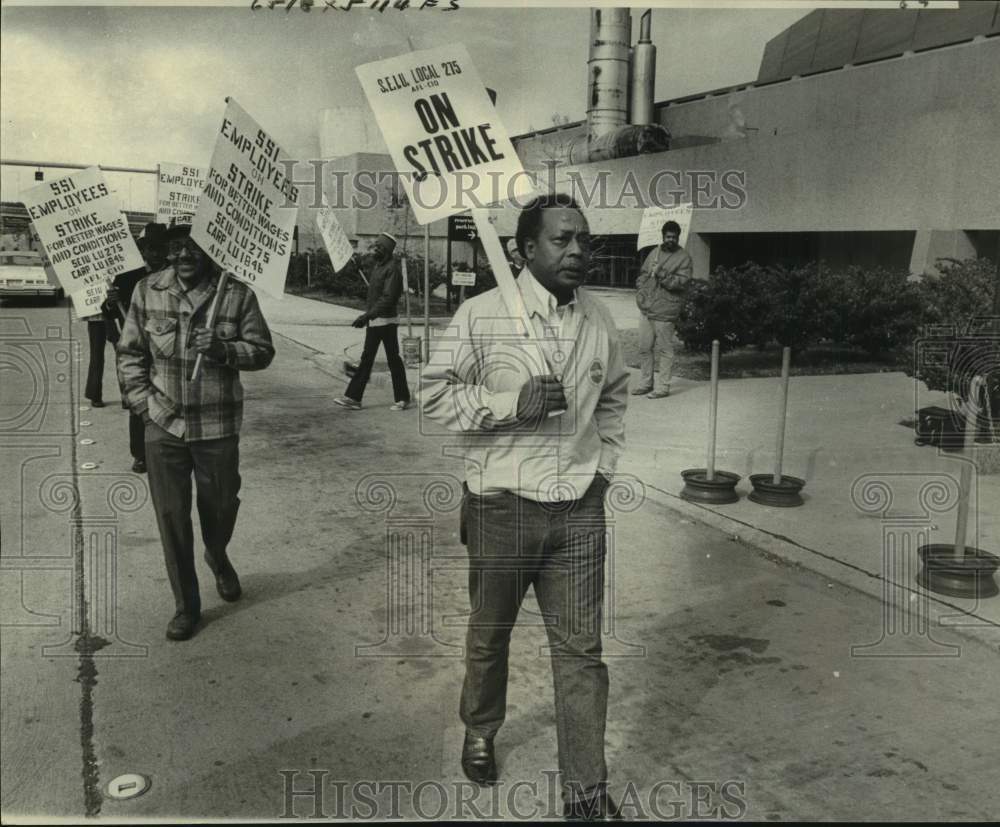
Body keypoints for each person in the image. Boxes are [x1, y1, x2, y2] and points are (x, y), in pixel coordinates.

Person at [422, 194, 628, 821]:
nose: (577, 252)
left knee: (581, 654)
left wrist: (603, 471)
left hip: (578, 514)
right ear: (525, 248)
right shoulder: (482, 316)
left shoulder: (598, 320)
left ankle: (586, 794)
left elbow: (615, 398)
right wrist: (513, 404)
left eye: (584, 241)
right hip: (502, 508)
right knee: (491, 636)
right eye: (563, 240)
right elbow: (433, 398)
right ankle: (481, 728)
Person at [117, 223, 275, 641]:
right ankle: (186, 605)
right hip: (163, 424)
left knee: (221, 508)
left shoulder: (237, 294)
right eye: (176, 248)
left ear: (209, 250)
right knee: (171, 518)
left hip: (217, 426)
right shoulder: (147, 291)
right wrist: (142, 406)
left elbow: (262, 352)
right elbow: (130, 352)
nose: (185, 255)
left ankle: (218, 556)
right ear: (166, 252)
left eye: (193, 248)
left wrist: (223, 349)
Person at [103, 222, 168, 473]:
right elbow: (105, 310)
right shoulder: (129, 275)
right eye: (151, 248)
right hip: (138, 348)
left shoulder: (177, 273)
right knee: (137, 401)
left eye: (160, 248)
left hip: (165, 349)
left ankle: (164, 451)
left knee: (166, 399)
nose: (155, 253)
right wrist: (110, 304)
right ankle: (140, 454)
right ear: (143, 250)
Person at [333, 232, 411, 412]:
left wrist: (366, 316)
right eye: (376, 246)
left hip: (386, 322)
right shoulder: (379, 267)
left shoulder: (393, 270)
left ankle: (401, 398)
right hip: (376, 321)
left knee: (390, 360)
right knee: (372, 359)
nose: (376, 249)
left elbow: (387, 299)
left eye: (379, 247)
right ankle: (355, 398)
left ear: (387, 251)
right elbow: (376, 292)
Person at [633, 219, 694, 399]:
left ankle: (663, 387)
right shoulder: (655, 252)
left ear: (678, 238)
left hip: (666, 311)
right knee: (644, 348)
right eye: (668, 236)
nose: (670, 240)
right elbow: (643, 274)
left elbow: (681, 284)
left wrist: (661, 273)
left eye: (674, 237)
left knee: (665, 350)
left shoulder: (684, 258)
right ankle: (645, 383)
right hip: (647, 309)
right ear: (663, 236)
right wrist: (641, 288)